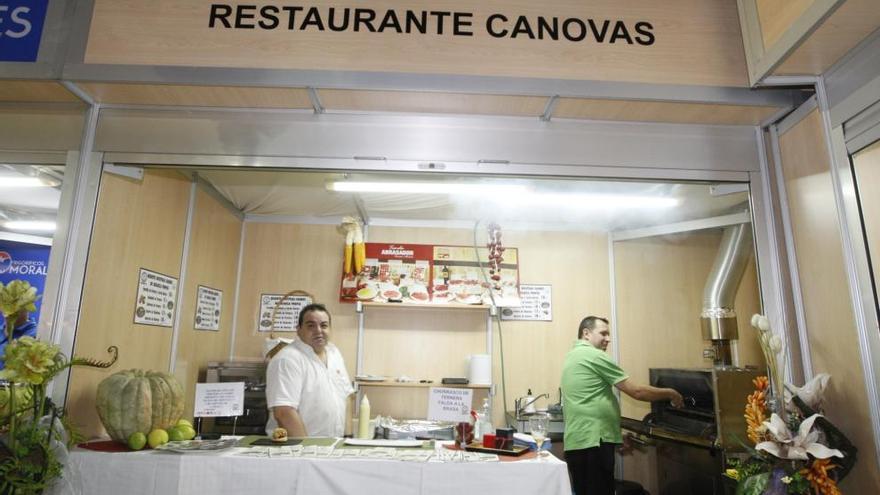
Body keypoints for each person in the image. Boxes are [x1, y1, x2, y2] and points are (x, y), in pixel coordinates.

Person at [561, 316, 684, 495]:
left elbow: (591, 404)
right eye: (603, 333)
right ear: (586, 334)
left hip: (581, 442)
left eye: (609, 334)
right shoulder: (594, 356)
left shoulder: (572, 355)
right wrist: (670, 393)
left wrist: (615, 437)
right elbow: (637, 392)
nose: (608, 339)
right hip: (594, 444)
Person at [265, 303, 354, 437]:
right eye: (311, 325)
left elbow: (347, 396)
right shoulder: (287, 360)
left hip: (333, 445)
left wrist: (348, 437)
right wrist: (306, 449)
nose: (318, 330)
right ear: (299, 329)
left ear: (330, 329)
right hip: (299, 449)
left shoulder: (334, 353)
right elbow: (284, 412)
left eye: (324, 325)